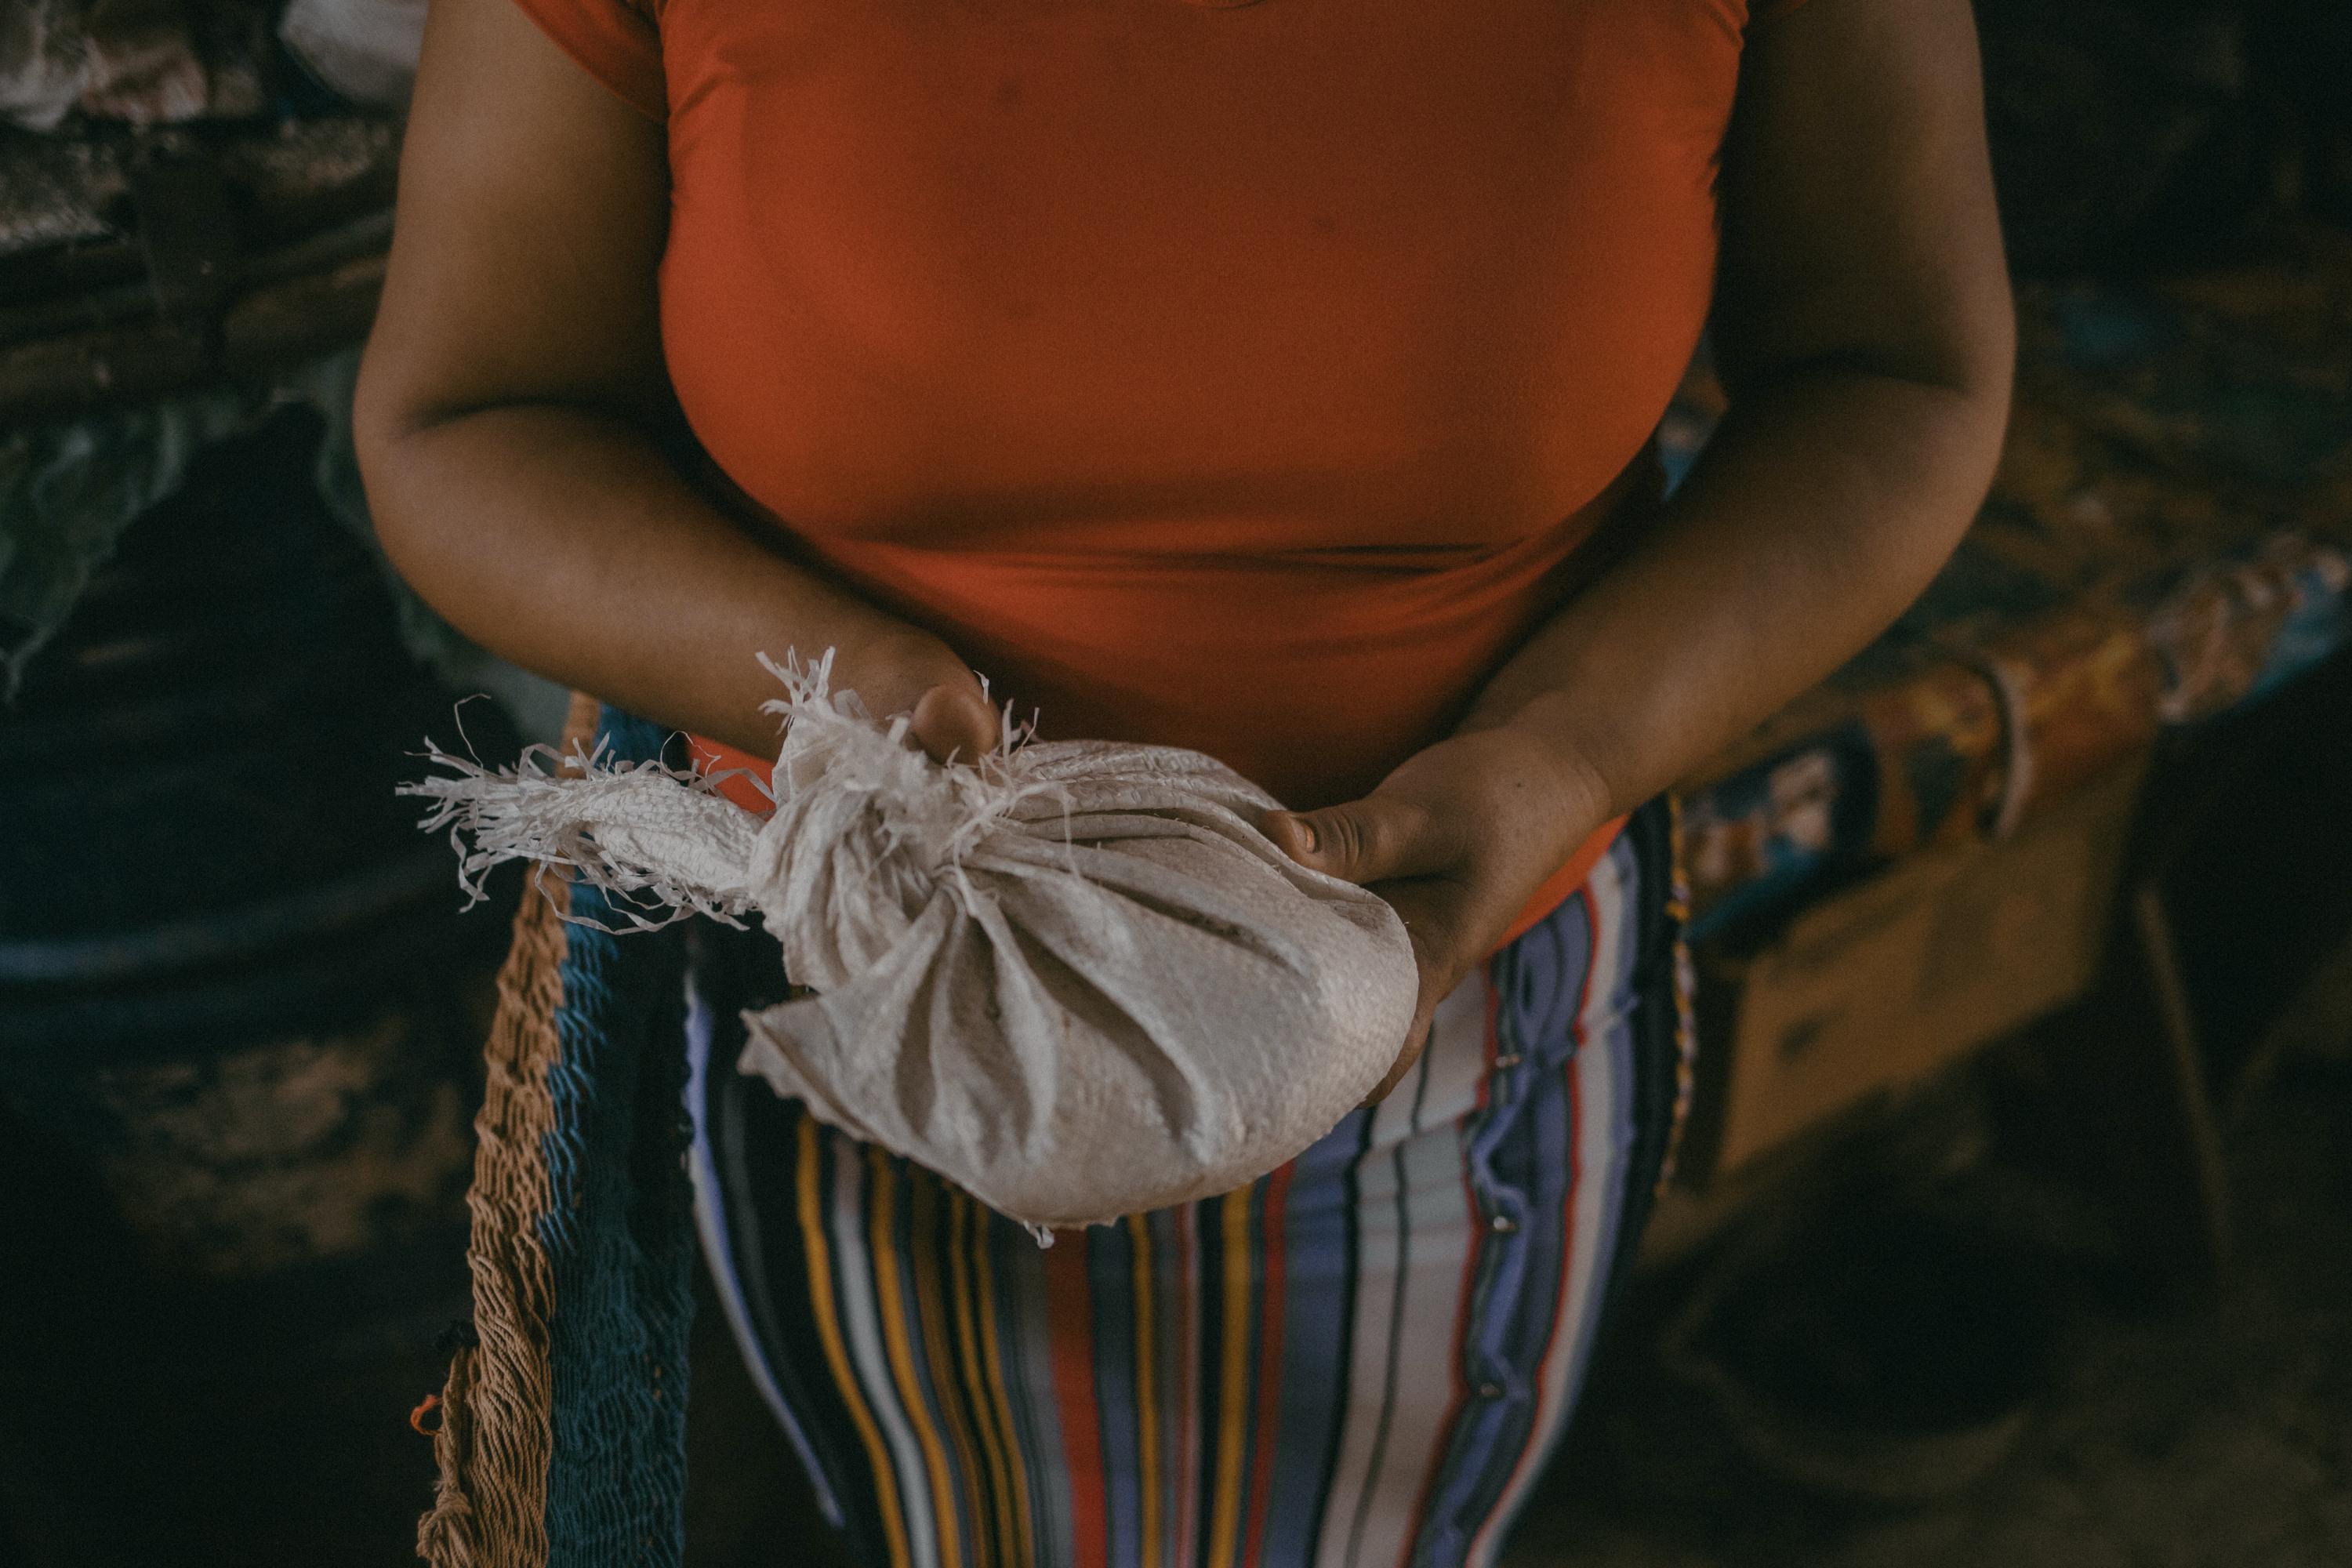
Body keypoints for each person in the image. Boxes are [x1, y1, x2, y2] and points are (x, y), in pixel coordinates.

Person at [355, 0, 2012, 1562]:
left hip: (1453, 1012)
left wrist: (1566, 751)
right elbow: (470, 411)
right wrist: (833, 683)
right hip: (883, 1032)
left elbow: (1896, 370)